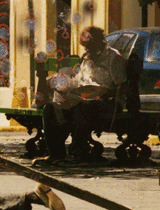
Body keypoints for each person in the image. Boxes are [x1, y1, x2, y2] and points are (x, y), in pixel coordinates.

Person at [33, 26, 127, 166]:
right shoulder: (86, 60)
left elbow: (122, 87)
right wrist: (66, 88)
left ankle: (76, 153)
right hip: (84, 101)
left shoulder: (113, 58)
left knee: (84, 107)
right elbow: (78, 83)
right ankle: (55, 154)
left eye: (88, 46)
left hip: (108, 103)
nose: (86, 50)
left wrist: (102, 93)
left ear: (98, 43)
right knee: (50, 108)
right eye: (84, 47)